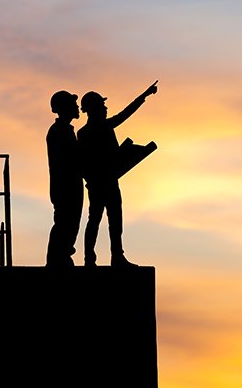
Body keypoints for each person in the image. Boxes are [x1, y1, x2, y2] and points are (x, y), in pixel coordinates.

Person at [78, 81, 158, 267]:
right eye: (102, 105)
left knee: (114, 220)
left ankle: (116, 256)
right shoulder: (85, 133)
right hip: (99, 185)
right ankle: (90, 259)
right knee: (95, 220)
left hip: (110, 182)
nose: (105, 108)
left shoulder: (104, 127)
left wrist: (144, 95)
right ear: (93, 109)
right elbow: (82, 162)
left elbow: (127, 112)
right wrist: (92, 179)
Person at [45, 90, 84, 267]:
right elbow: (68, 160)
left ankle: (61, 257)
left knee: (69, 224)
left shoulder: (64, 130)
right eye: (73, 103)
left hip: (69, 185)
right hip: (65, 187)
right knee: (64, 224)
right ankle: (57, 260)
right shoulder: (58, 131)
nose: (77, 106)